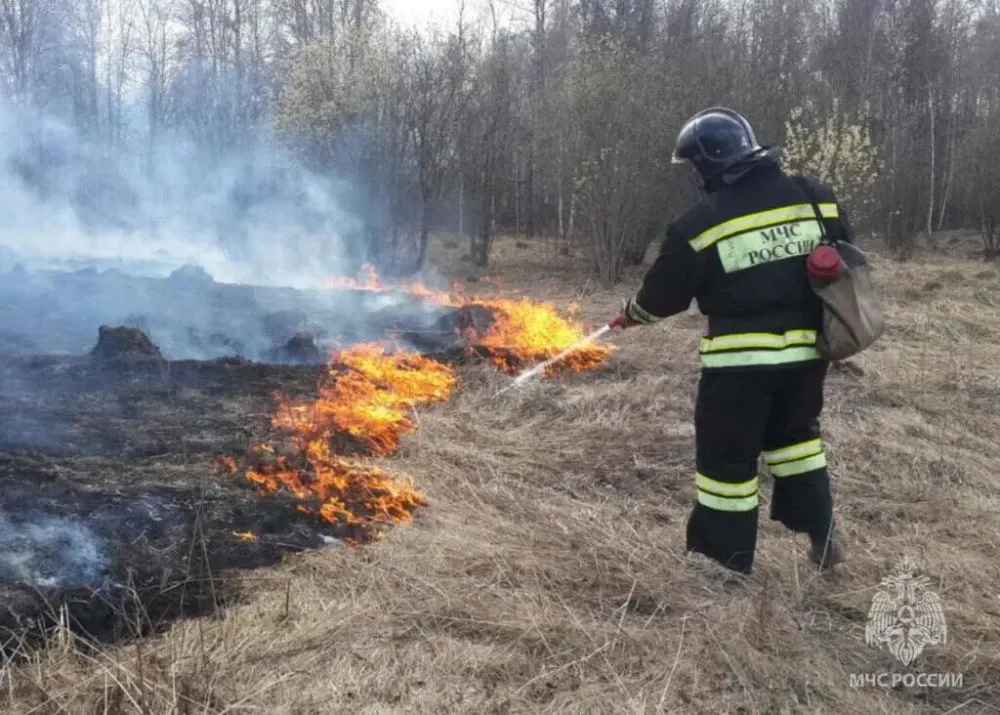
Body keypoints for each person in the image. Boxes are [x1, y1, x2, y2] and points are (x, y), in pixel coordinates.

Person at [610, 106, 849, 575]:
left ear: (705, 165)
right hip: (807, 358)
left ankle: (722, 565)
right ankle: (822, 532)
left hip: (739, 367)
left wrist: (630, 317)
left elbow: (662, 298)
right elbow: (842, 251)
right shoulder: (815, 197)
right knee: (797, 444)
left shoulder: (698, 225)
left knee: (727, 465)